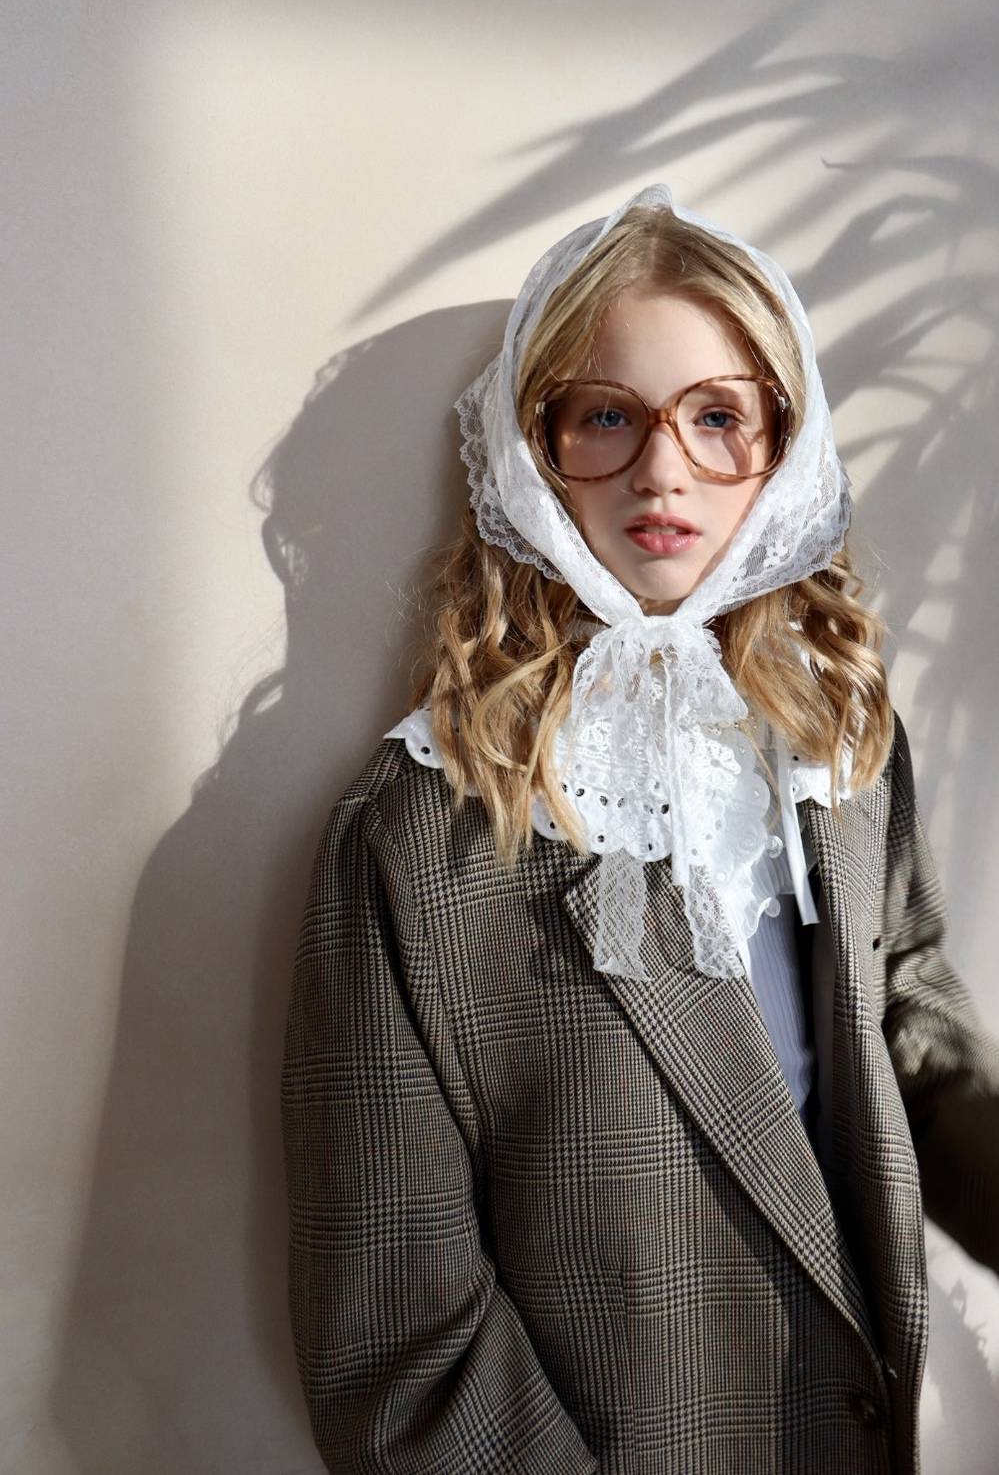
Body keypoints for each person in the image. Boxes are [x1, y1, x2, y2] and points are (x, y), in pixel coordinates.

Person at [281, 184, 999, 1474]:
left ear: (784, 448)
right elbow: (398, 1345)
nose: (663, 470)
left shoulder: (836, 735)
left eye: (718, 417)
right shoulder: (421, 836)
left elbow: (907, 1017)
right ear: (533, 446)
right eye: (607, 416)